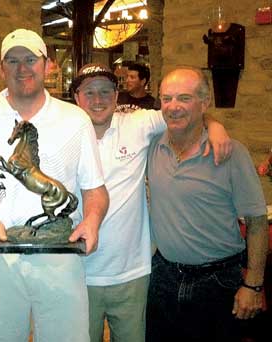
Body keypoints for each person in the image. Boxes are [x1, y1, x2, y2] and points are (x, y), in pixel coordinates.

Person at [0, 28, 109, 342]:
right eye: (13, 60)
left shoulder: (75, 119)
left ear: (47, 66)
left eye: (31, 59)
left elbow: (94, 188)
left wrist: (92, 220)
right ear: (1, 68)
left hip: (60, 259)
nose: (22, 68)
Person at [70, 63, 232, 342]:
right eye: (89, 92)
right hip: (76, 272)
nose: (98, 100)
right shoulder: (63, 134)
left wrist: (215, 125)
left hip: (132, 273)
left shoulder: (138, 123)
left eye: (106, 91)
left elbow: (182, 112)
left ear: (117, 94)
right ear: (76, 97)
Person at [146, 67, 269, 342]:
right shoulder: (152, 146)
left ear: (205, 102)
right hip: (163, 277)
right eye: (166, 99)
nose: (173, 107)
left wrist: (253, 284)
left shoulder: (231, 153)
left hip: (218, 282)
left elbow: (257, 221)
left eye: (184, 98)